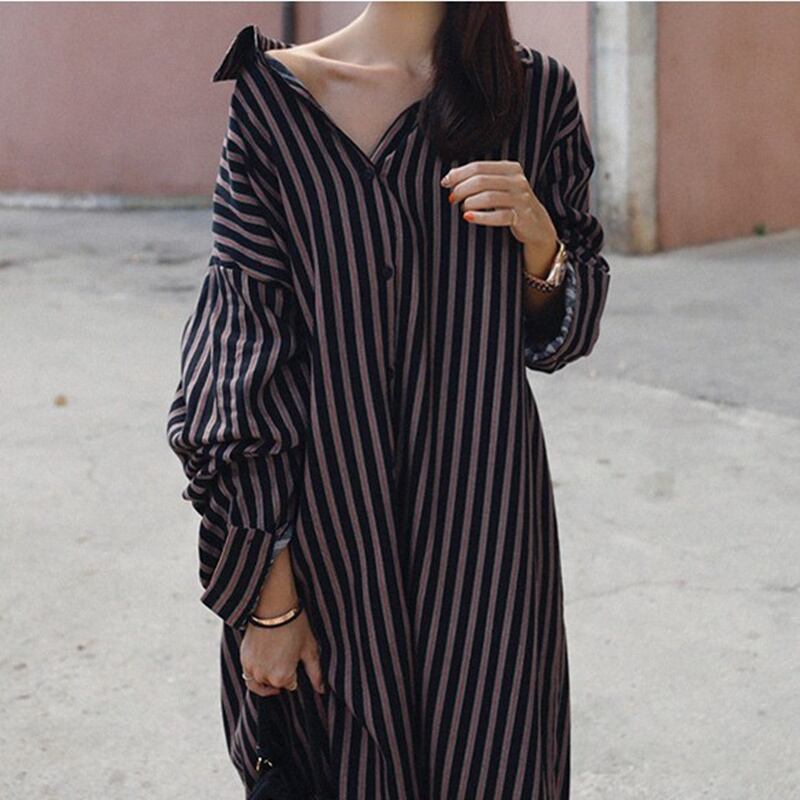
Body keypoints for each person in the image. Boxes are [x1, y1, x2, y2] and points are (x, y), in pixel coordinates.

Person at [166, 3, 610, 798]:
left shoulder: (533, 96)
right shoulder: (277, 101)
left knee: (494, 762)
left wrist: (541, 242)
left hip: (486, 541)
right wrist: (269, 601)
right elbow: (239, 358)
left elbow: (562, 337)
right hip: (326, 542)